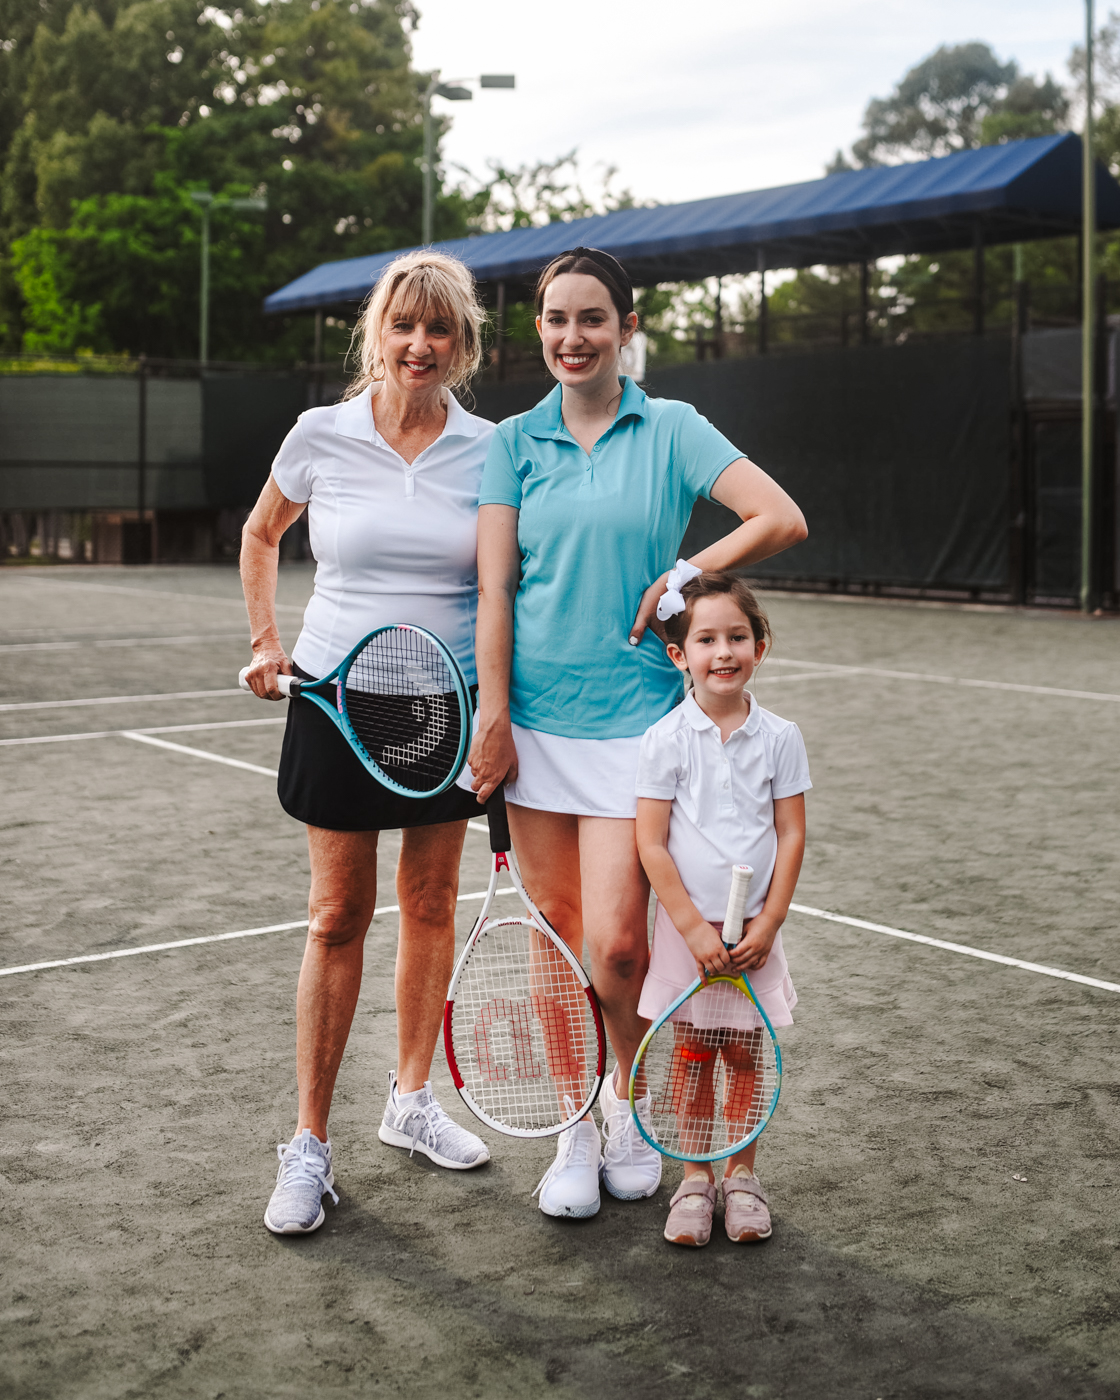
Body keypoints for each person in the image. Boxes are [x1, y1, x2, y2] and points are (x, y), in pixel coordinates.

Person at [465, 246, 807, 1219]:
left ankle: (625, 1100)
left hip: (635, 731)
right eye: (555, 319)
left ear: (625, 326)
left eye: (592, 319)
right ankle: (577, 1124)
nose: (572, 337)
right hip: (533, 724)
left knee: (615, 946)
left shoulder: (672, 428)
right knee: (554, 945)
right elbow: (494, 586)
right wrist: (493, 713)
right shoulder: (512, 443)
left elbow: (779, 515)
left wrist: (687, 570)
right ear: (538, 329)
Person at [240, 250, 495, 1236]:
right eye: (404, 326)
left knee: (428, 904)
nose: (419, 344)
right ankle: (308, 1143)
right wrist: (266, 641)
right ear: (376, 335)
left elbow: (508, 579)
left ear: (461, 344)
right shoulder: (321, 434)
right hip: (335, 696)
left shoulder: (489, 449)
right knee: (337, 915)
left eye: (439, 329)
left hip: (444, 704)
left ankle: (410, 1098)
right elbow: (264, 532)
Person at [635, 571, 809, 1247]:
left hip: (754, 937)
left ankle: (742, 1178)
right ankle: (694, 1179)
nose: (723, 651)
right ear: (680, 655)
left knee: (743, 1054)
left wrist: (769, 924)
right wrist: (688, 929)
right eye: (706, 639)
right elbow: (650, 843)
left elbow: (791, 833)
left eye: (737, 636)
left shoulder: (781, 737)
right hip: (688, 938)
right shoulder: (665, 739)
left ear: (760, 645)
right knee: (693, 1055)